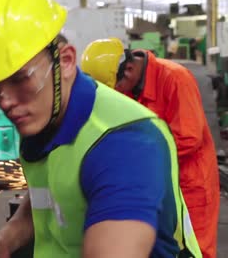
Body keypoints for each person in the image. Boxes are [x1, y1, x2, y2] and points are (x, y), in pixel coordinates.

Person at [0, 0, 201, 257]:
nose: (4, 101)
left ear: (66, 62)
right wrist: (6, 241)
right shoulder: (46, 121)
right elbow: (48, 197)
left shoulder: (124, 144)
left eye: (20, 78)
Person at [81, 38, 220, 258]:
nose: (115, 94)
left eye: (115, 88)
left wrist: (138, 159)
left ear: (128, 70)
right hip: (152, 182)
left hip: (189, 184)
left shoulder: (175, 78)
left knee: (195, 249)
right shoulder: (127, 86)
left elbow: (188, 137)